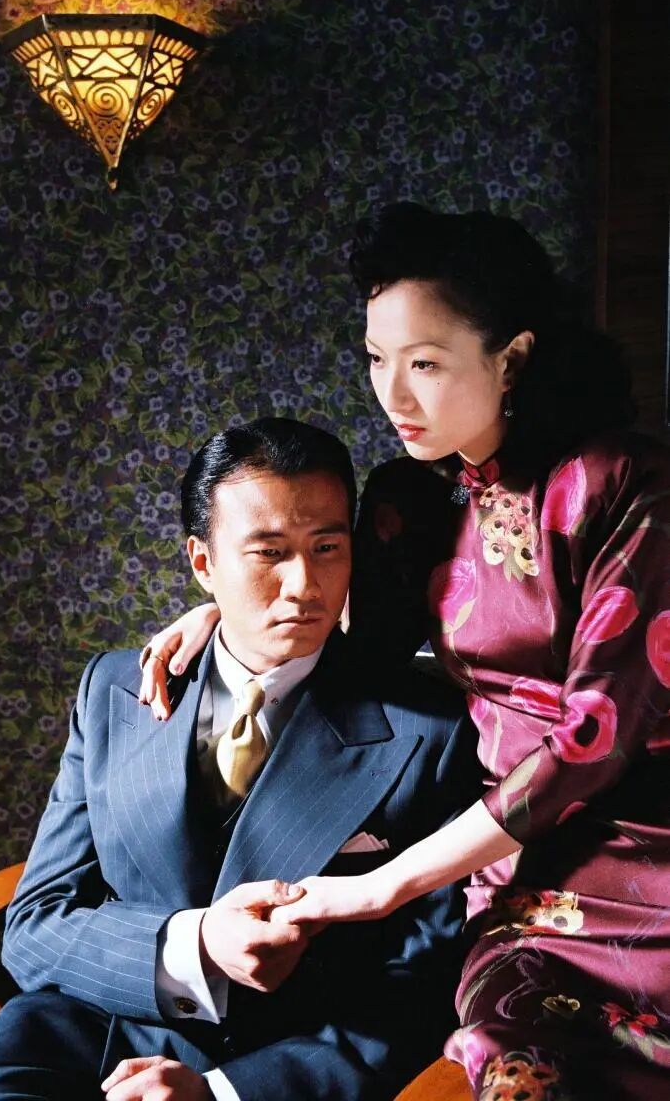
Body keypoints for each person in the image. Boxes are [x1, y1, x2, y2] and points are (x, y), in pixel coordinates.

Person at [140, 206, 670, 1101]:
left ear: (512, 359)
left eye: (424, 363)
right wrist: (223, 618)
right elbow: (357, 664)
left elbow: (596, 736)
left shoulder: (622, 485)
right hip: (520, 885)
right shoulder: (411, 502)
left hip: (648, 846)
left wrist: (383, 887)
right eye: (376, 359)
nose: (393, 394)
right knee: (520, 1069)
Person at [0, 416, 479, 1101]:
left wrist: (224, 1091)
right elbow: (35, 925)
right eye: (268, 552)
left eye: (327, 547)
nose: (304, 584)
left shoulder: (429, 730)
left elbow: (423, 985)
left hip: (276, 1062)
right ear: (202, 563)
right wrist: (195, 947)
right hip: (81, 1035)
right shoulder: (113, 690)